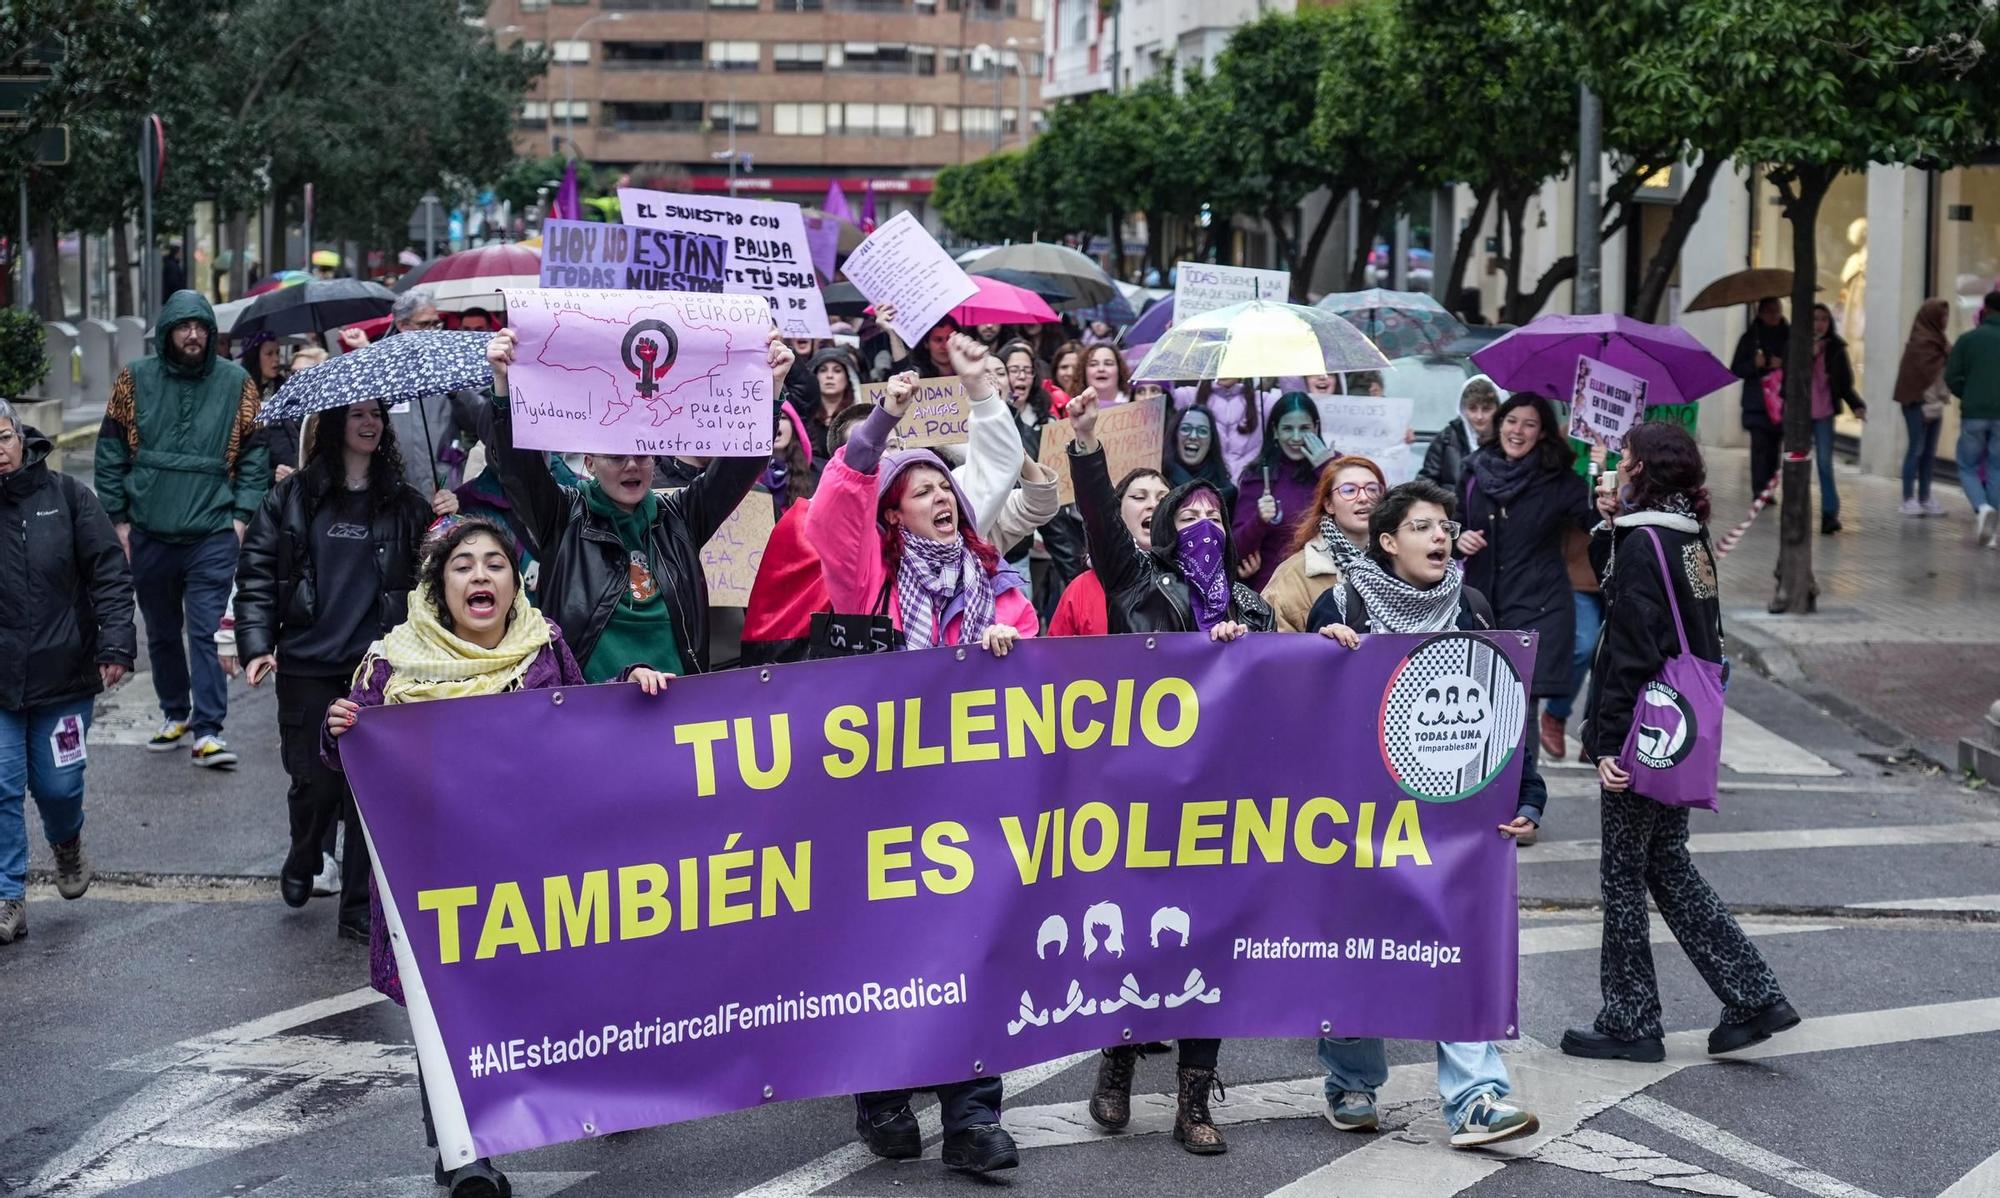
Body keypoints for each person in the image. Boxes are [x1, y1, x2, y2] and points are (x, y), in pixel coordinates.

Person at [324, 518, 670, 1197]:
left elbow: (588, 723)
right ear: (438, 584)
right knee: (442, 1007)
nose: (479, 576)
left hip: (530, 876)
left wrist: (632, 682)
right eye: (462, 566)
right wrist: (340, 732)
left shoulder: (544, 648)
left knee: (531, 1002)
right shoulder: (391, 663)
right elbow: (353, 766)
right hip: (434, 880)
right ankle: (464, 1160)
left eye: (494, 565)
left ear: (515, 583)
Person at [804, 371, 1033, 1175]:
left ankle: (974, 1116)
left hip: (975, 805)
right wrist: (885, 421)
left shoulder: (997, 589)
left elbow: (1042, 698)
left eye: (946, 486)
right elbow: (836, 501)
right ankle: (884, 1096)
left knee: (973, 949)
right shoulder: (865, 581)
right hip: (883, 805)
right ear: (892, 513)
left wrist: (1011, 658)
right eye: (919, 488)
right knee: (886, 952)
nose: (938, 496)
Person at [1307, 479, 1543, 1147]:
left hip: (1452, 816)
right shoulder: (1342, 600)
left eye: (1443, 526)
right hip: (1359, 819)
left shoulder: (1469, 607)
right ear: (1387, 542)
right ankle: (1351, 1080)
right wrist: (1322, 653)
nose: (1440, 536)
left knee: (1459, 946)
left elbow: (1502, 707)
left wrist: (1528, 794)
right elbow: (1296, 709)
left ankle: (1477, 1097)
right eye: (1421, 527)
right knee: (1357, 949)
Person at [1067, 387, 1269, 1156]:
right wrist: (1087, 444)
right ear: (1157, 531)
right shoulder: (1135, 584)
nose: (1204, 525)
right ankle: (1116, 1062)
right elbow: (1096, 516)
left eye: (1215, 514)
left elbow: (1292, 689)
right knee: (1136, 940)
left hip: (1224, 803)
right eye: (1187, 516)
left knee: (1209, 945)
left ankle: (1193, 1096)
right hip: (1141, 796)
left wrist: (1331, 644)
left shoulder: (1249, 606)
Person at [1561, 422, 1799, 1063]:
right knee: (1666, 862)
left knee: (1623, 877)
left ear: (1644, 470)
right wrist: (1609, 523)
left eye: (1628, 461)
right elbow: (1636, 600)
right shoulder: (1686, 539)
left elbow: (1635, 644)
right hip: (1680, 727)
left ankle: (1630, 1020)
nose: (1622, 468)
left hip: (1644, 729)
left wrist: (1608, 743)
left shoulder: (1646, 543)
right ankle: (1753, 996)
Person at [231, 399, 455, 936]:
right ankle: (305, 852)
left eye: (377, 415)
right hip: (307, 663)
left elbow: (435, 576)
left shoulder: (404, 504)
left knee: (366, 792)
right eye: (357, 415)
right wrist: (257, 643)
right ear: (335, 425)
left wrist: (444, 522)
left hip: (375, 669)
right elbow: (257, 570)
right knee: (315, 783)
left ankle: (357, 907)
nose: (370, 423)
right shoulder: (291, 498)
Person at [484, 329, 788, 679]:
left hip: (677, 711)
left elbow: (740, 466)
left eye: (641, 454)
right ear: (589, 462)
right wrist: (504, 384)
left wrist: (771, 386)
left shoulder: (680, 517)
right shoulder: (562, 516)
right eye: (616, 455)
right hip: (592, 711)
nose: (631, 465)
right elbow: (518, 471)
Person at [95, 289, 270, 768]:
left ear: (211, 333)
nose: (192, 335)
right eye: (182, 326)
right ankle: (175, 713)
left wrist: (240, 518)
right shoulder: (135, 379)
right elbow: (110, 450)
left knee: (208, 632)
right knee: (161, 631)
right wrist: (120, 521)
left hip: (213, 530)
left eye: (200, 327)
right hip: (149, 530)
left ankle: (208, 729)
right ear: (168, 332)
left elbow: (257, 454)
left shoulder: (237, 382)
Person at [0, 404, 135, 945]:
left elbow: (109, 571)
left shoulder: (67, 497)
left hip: (65, 677)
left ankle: (67, 840)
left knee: (58, 785)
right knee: (2, 787)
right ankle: (8, 896)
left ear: (20, 437)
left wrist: (117, 642)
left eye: (3, 436)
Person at [1457, 394, 1596, 730]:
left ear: (1543, 433)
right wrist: (1456, 538)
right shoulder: (1474, 471)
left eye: (1529, 424)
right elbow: (1452, 521)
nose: (1518, 431)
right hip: (1481, 605)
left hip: (1538, 607)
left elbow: (1595, 522)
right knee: (1478, 709)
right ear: (1500, 424)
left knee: (1520, 711)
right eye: (1511, 421)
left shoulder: (1560, 481)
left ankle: (1523, 784)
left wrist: (1602, 483)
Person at [342, 289, 489, 497]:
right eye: (424, 324)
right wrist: (366, 352)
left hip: (448, 491)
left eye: (436, 324)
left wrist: (456, 388)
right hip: (396, 491)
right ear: (403, 326)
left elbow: (480, 422)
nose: (433, 331)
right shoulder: (386, 368)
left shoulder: (454, 363)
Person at [1260, 456, 1385, 632]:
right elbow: (1271, 649)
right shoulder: (1294, 575)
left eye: (1373, 489)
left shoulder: (1405, 565)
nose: (1364, 497)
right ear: (1328, 504)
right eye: (1349, 490)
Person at [1046, 467, 1170, 637]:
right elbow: (1054, 658)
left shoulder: (1189, 581)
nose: (1153, 505)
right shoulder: (1080, 589)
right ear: (1116, 514)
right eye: (1139, 497)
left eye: (1164, 499)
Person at [1233, 393, 1329, 591]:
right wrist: (1259, 520)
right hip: (1272, 590)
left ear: (1316, 428)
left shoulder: (1335, 469)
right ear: (1275, 431)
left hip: (1325, 588)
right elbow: (1236, 550)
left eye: (1304, 428)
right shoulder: (1258, 476)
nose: (1296, 437)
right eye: (1287, 429)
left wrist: (1325, 468)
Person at [1945, 290, 2000, 547]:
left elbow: (1952, 376)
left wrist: (1965, 393)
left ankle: (1982, 508)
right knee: (1996, 468)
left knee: (1968, 466)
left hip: (1974, 413)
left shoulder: (1968, 340)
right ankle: (1994, 530)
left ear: (1985, 310)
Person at [1891, 298, 1952, 517]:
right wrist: (1925, 402)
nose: (1945, 320)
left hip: (1936, 404)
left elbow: (1943, 374)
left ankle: (1925, 497)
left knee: (1929, 453)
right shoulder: (1920, 343)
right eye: (1942, 315)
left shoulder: (1940, 341)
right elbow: (1916, 377)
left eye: (1946, 316)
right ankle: (1908, 498)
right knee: (1916, 449)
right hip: (1917, 403)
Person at [1809, 303, 1865, 534]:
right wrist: (1807, 356)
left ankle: (1829, 514)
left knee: (1824, 464)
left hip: (1824, 414)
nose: (1819, 323)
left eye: (1823, 319)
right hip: (1800, 416)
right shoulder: (1796, 345)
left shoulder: (1836, 349)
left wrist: (1857, 405)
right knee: (1796, 465)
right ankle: (1795, 511)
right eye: (1814, 319)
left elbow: (1844, 384)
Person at [1730, 297, 1790, 495]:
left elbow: (1801, 368)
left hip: (1780, 402)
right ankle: (1759, 489)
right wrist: (1754, 365)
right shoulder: (1750, 338)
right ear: (1761, 313)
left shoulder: (1789, 336)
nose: (1774, 315)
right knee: (1759, 448)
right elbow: (1736, 369)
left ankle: (1769, 489)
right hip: (1757, 403)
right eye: (1770, 311)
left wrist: (1782, 363)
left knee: (1774, 450)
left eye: (1777, 310)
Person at [1175, 378, 1270, 484]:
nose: (1222, 370)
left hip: (1250, 484)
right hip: (1206, 483)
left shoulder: (1265, 401)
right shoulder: (1186, 396)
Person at [1421, 375, 1501, 494]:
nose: (1479, 416)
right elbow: (1426, 482)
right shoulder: (1446, 439)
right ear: (1463, 409)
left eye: (1486, 409)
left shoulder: (1508, 441)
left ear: (1498, 409)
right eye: (1473, 409)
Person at [1165, 404, 1238, 520]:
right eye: (1185, 429)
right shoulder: (1159, 482)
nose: (1193, 436)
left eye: (1202, 431)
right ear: (1175, 436)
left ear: (1211, 442)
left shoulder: (1227, 491)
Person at [800, 346, 861, 464]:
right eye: (823, 370)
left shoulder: (858, 417)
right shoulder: (803, 415)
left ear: (848, 377)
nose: (829, 376)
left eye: (837, 370)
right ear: (815, 376)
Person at [882, 304, 960, 379]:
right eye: (938, 340)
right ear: (926, 343)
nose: (945, 345)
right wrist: (892, 332)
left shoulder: (970, 371)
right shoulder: (916, 374)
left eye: (949, 338)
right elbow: (903, 369)